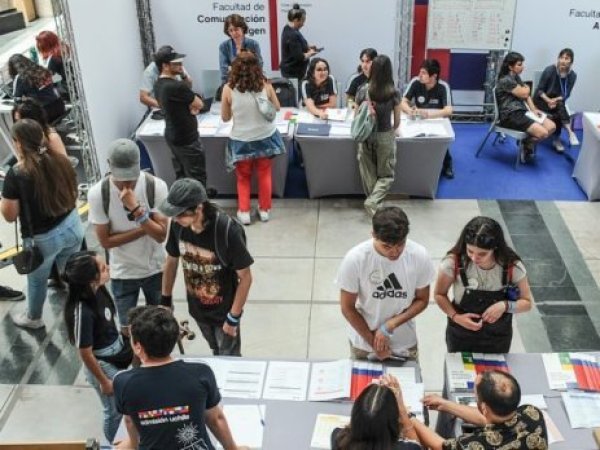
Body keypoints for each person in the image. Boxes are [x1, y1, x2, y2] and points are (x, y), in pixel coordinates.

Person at [113, 305, 250, 450]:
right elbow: (215, 419)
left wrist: (131, 445)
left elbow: (130, 422)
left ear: (138, 346)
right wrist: (233, 449)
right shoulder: (200, 373)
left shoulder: (123, 382)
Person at [1, 119, 84, 329]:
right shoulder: (60, 159)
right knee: (72, 272)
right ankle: (80, 308)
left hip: (43, 239)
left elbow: (9, 215)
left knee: (37, 280)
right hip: (73, 224)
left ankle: (34, 318)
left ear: (18, 143)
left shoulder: (17, 174)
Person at [159, 178, 253, 356]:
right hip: (198, 310)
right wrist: (165, 300)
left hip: (224, 312)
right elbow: (172, 260)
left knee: (229, 359)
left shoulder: (227, 230)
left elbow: (246, 277)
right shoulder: (178, 226)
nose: (175, 219)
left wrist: (233, 318)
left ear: (198, 208)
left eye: (180, 214)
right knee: (216, 350)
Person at [88, 139, 169, 332]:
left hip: (156, 268)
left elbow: (160, 235)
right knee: (127, 329)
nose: (126, 183)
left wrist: (137, 210)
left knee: (161, 326)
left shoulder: (155, 186)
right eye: (121, 177)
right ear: (109, 166)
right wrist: (145, 226)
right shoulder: (98, 193)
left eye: (131, 177)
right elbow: (106, 241)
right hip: (122, 272)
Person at [336, 206, 435, 361]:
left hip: (404, 343)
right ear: (373, 235)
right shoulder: (355, 259)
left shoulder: (419, 256)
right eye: (387, 246)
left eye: (400, 245)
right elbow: (347, 307)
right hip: (363, 345)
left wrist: (390, 325)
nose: (394, 252)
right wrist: (373, 342)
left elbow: (422, 300)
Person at [434, 216, 532, 354]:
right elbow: (439, 294)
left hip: (497, 337)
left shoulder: (512, 266)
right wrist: (456, 317)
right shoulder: (453, 263)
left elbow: (527, 303)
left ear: (495, 248)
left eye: (482, 254)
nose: (474, 258)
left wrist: (504, 305)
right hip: (461, 334)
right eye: (470, 251)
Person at [63, 251, 133, 443]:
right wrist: (104, 381)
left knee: (123, 403)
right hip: (103, 363)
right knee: (114, 411)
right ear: (90, 279)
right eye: (103, 268)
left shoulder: (99, 290)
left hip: (116, 350)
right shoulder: (82, 311)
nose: (108, 268)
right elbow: (85, 352)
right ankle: (115, 444)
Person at [221, 51, 286, 225]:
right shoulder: (266, 85)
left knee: (243, 177)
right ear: (257, 67)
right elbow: (277, 107)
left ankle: (244, 212)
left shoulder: (228, 89)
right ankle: (264, 210)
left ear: (235, 68)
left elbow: (225, 118)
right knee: (264, 174)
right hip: (265, 136)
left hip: (241, 139)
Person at [411, 370, 548, 450]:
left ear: (484, 408)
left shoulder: (475, 445)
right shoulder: (532, 413)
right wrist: (446, 405)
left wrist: (409, 416)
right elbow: (488, 418)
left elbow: (440, 446)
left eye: (476, 395)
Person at [354, 55, 402, 217]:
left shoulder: (362, 90)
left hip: (366, 136)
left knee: (369, 174)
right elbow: (397, 122)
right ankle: (373, 202)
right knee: (386, 175)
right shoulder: (394, 92)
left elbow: (356, 117)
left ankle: (374, 207)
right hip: (385, 136)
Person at [154, 47, 207, 185]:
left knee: (182, 176)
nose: (181, 65)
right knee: (197, 178)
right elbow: (200, 104)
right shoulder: (176, 87)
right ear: (165, 66)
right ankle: (200, 199)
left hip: (173, 135)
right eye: (176, 63)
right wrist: (192, 106)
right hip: (187, 139)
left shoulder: (159, 84)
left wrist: (183, 75)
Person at [331, 374, 421, 450]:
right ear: (393, 421)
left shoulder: (338, 438)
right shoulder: (408, 448)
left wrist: (368, 397)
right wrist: (402, 409)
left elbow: (355, 425)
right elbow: (416, 444)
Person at [496, 51, 556, 163]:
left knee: (551, 126)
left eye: (522, 64)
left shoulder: (516, 77)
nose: (522, 67)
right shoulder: (505, 80)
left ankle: (526, 142)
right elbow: (524, 93)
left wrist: (534, 110)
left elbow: (526, 95)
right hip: (510, 115)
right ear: (510, 67)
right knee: (543, 133)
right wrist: (527, 88)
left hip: (522, 111)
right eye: (519, 64)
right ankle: (527, 144)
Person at [401, 59, 455, 179]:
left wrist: (428, 115)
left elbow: (449, 110)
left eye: (424, 73)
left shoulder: (443, 86)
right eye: (420, 72)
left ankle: (447, 164)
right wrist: (410, 111)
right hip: (418, 119)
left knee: (440, 141)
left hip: (437, 121)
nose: (420, 75)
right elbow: (402, 102)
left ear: (434, 76)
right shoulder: (415, 82)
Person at [533, 48, 579, 152]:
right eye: (561, 57)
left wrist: (555, 100)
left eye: (566, 58)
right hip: (542, 100)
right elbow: (539, 90)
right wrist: (549, 100)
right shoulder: (550, 70)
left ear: (571, 62)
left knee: (559, 107)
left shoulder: (572, 75)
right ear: (558, 59)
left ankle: (558, 138)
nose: (563, 60)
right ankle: (568, 133)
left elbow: (566, 93)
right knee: (560, 108)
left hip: (557, 102)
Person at [8, 53, 66, 123]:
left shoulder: (19, 78)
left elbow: (16, 100)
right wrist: (46, 85)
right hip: (59, 106)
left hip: (45, 113)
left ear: (13, 69)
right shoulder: (40, 69)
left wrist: (27, 99)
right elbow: (58, 78)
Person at [139, 44, 193, 109]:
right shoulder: (149, 72)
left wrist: (184, 76)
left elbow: (189, 87)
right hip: (161, 108)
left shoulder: (177, 65)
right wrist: (164, 106)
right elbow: (143, 97)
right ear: (165, 65)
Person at [280, 3, 318, 84]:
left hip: (292, 72)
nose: (303, 24)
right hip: (293, 73)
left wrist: (307, 46)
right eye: (302, 21)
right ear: (296, 20)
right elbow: (299, 57)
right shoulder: (293, 34)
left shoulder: (287, 29)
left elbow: (294, 46)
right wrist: (310, 53)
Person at [219, 14, 263, 83]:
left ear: (243, 28)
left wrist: (232, 69)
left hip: (252, 82)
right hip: (231, 83)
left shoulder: (253, 44)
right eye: (231, 30)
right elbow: (224, 71)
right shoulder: (224, 46)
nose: (234, 33)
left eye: (236, 29)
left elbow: (259, 65)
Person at [34, 30, 66, 94]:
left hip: (66, 89)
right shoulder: (64, 48)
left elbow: (58, 77)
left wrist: (46, 82)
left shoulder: (54, 59)